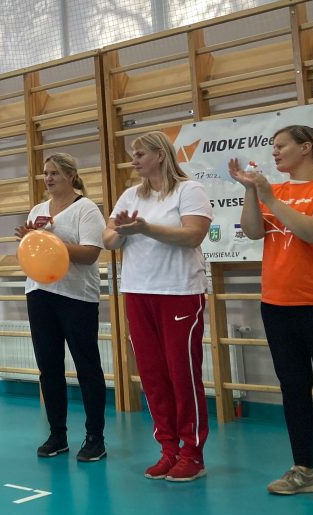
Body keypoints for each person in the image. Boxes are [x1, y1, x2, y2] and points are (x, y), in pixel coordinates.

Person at [229, 125, 313, 505]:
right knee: (293, 388)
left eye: (281, 146)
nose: (275, 152)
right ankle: (303, 470)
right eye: (273, 147)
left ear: (306, 148)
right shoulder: (274, 191)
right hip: (277, 304)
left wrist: (269, 197)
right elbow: (252, 232)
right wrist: (252, 192)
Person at [103, 131, 213, 482]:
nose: (133, 160)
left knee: (182, 374)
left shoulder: (188, 190)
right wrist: (123, 232)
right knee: (152, 375)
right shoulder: (130, 195)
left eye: (140, 154)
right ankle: (169, 449)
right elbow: (109, 239)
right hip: (138, 292)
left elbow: (193, 235)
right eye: (133, 154)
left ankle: (192, 453)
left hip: (179, 291)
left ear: (161, 155)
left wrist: (146, 228)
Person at [16, 154, 107, 462]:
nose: (49, 178)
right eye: (46, 173)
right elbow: (33, 252)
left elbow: (90, 253)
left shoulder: (86, 208)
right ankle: (57, 435)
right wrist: (30, 241)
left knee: (87, 367)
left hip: (76, 296)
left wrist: (50, 242)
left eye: (55, 173)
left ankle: (95, 437)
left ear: (71, 176)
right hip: (39, 293)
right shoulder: (38, 210)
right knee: (49, 367)